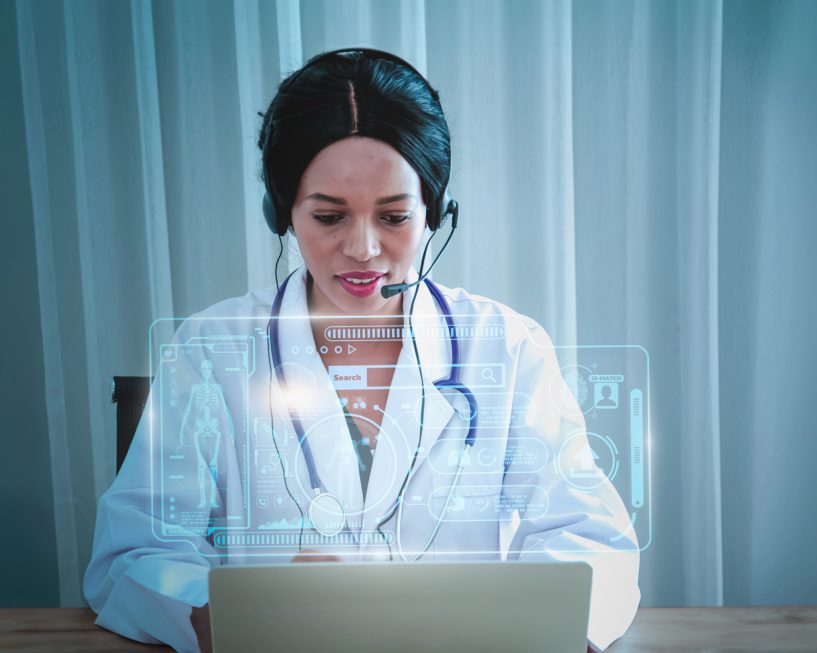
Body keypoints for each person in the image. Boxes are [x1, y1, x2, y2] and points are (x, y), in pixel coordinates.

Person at [84, 48, 640, 653]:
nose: (363, 249)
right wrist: (202, 614)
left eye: (395, 216)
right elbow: (136, 551)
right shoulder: (211, 351)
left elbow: (589, 538)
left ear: (435, 213)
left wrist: (561, 626)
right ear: (283, 216)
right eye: (328, 217)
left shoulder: (505, 347)